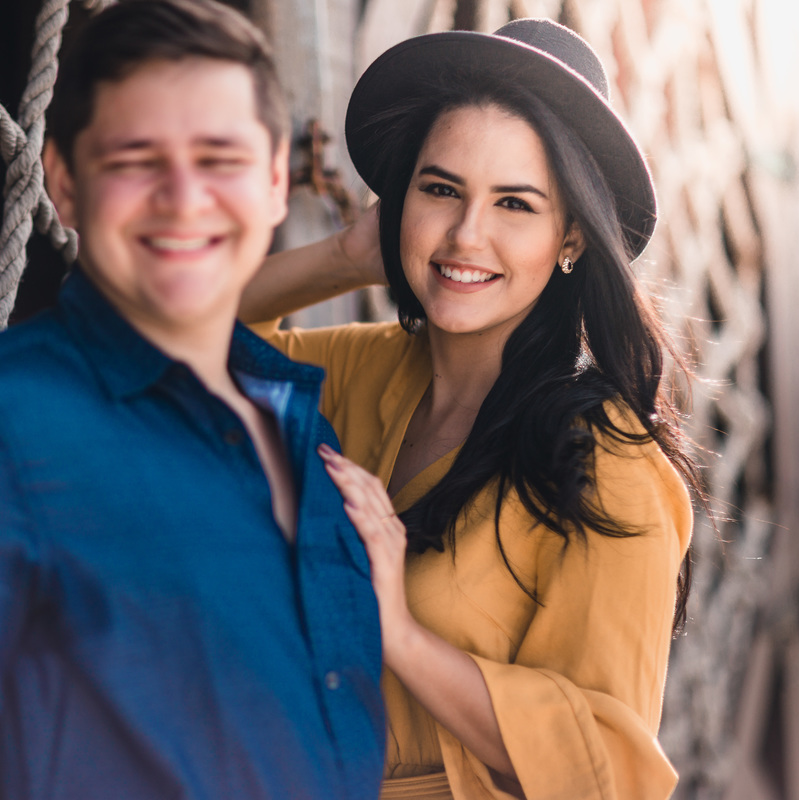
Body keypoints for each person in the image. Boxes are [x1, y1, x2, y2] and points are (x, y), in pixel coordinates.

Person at [0, 1, 386, 797]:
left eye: (219, 158)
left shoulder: (302, 427)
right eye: (135, 159)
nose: (182, 198)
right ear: (65, 185)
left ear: (274, 185)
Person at [241, 18, 700, 800]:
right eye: (440, 189)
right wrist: (351, 254)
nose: (465, 235)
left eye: (516, 204)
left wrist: (402, 633)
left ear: (572, 240)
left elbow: (611, 774)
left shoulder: (608, 461)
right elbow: (170, 344)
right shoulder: (363, 369)